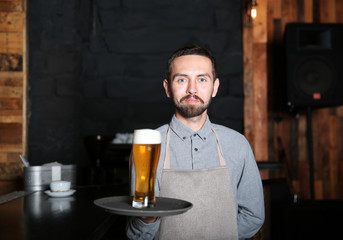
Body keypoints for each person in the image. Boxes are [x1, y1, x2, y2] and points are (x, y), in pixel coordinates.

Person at [126, 45, 265, 240]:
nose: (192, 89)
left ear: (214, 87)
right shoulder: (148, 148)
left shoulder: (237, 144)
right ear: (167, 88)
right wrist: (147, 220)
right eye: (182, 79)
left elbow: (253, 216)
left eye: (202, 79)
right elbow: (137, 235)